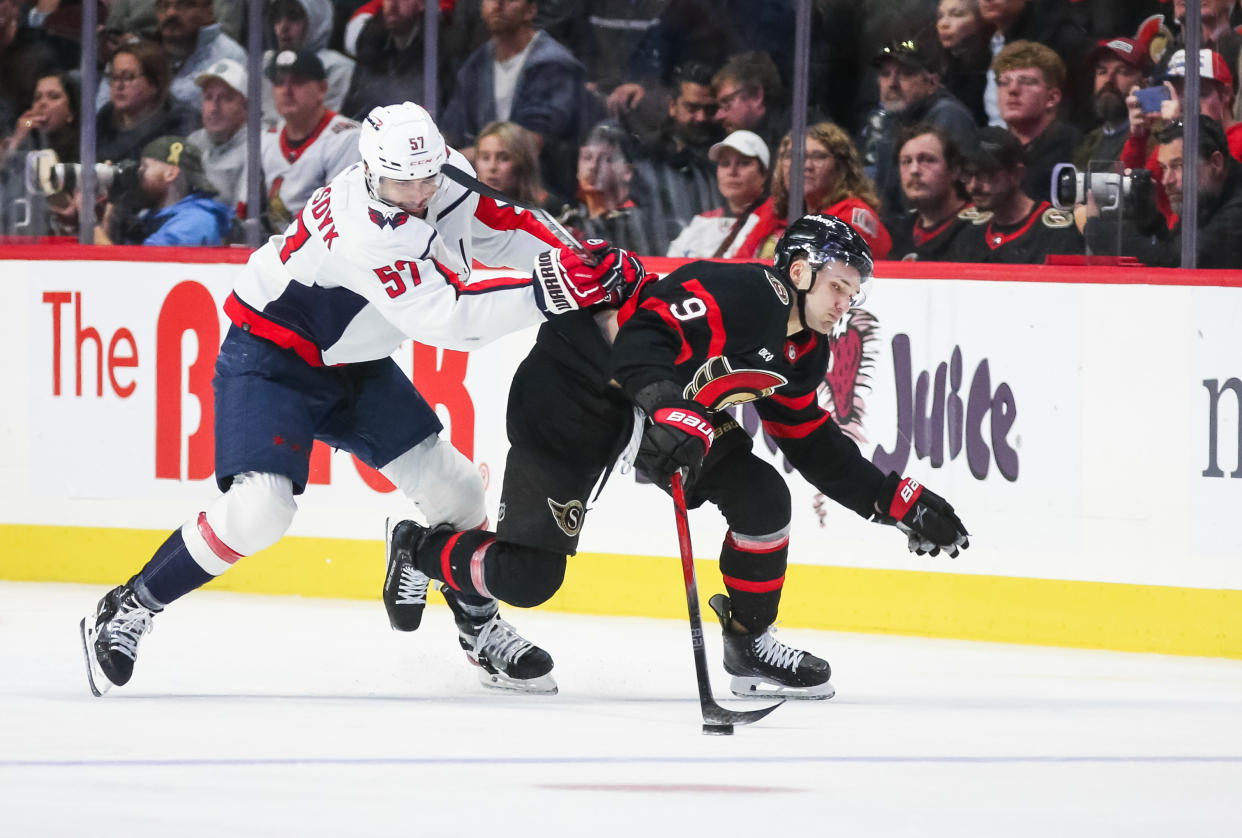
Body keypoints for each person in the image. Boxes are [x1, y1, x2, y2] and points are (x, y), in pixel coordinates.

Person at [80, 101, 642, 697]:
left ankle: (479, 627)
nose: (420, 193)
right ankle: (130, 605)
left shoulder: (436, 174)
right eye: (403, 182)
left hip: (352, 358)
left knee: (457, 488)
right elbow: (451, 321)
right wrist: (554, 288)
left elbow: (508, 228)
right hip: (272, 358)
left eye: (427, 177)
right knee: (261, 510)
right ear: (372, 172)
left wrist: (576, 261)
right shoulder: (363, 229)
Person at [385, 213, 970, 700]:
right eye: (838, 286)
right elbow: (643, 342)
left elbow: (811, 442)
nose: (845, 303)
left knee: (764, 497)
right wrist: (670, 410)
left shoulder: (804, 352)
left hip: (661, 409)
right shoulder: (740, 293)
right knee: (529, 578)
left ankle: (749, 644)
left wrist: (896, 503)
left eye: (854, 292)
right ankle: (421, 549)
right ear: (799, 271)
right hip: (573, 392)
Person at [439, 0, 588, 202]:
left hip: (544, 201)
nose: (498, 4)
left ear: (531, 10)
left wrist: (464, 158)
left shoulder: (554, 64)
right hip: (484, 198)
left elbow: (531, 143)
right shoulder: (475, 65)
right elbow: (452, 132)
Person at [1084, 114, 1242, 268]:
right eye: (1163, 168)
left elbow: (1177, 261)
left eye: (1178, 165)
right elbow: (1173, 249)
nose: (1166, 180)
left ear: (1216, 163)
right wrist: (1150, 217)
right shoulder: (1208, 197)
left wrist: (1097, 231)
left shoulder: (1236, 210)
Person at [863, 37, 977, 230]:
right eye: (885, 74)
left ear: (931, 83)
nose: (892, 83)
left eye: (906, 74)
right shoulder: (892, 119)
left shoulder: (948, 116)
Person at [754, 122, 891, 261]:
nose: (805, 166)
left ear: (841, 167)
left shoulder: (853, 215)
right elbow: (741, 261)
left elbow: (830, 274)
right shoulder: (775, 210)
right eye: (792, 156)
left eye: (818, 156)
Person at [261, 49, 361, 230]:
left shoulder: (347, 137)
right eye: (280, 83)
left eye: (298, 82)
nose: (287, 91)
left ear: (322, 89)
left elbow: (341, 219)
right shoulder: (266, 139)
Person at [952, 125, 1083, 263]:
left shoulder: (1056, 234)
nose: (973, 186)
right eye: (967, 174)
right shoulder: (970, 234)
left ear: (1017, 174)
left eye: (985, 174)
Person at [97, 134, 234, 245]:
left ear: (171, 173)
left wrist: (90, 223)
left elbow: (138, 268)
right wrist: (112, 205)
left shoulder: (194, 222)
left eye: (145, 167)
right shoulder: (151, 216)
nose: (139, 173)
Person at [992, 40, 1081, 203]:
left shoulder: (1073, 149)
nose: (1012, 90)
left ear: (1052, 98)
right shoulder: (993, 147)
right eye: (1004, 82)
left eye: (1026, 82)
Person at [665, 129, 770, 258]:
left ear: (764, 173)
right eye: (725, 163)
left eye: (744, 163)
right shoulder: (702, 222)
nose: (732, 171)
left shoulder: (773, 223)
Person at [96, 38, 197, 164]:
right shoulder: (106, 115)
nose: (118, 85)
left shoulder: (178, 121)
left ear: (155, 83)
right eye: (114, 77)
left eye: (128, 77)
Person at [563, 120, 654, 254]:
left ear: (627, 172)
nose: (593, 166)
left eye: (607, 159)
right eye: (587, 157)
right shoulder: (568, 222)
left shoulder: (643, 225)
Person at [261, 0, 356, 127]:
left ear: (316, 19)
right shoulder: (266, 63)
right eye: (277, 18)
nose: (283, 27)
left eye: (293, 17)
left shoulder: (337, 67)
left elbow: (326, 127)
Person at [889, 123, 976, 261]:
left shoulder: (978, 229)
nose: (914, 170)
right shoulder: (897, 233)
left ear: (954, 170)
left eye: (927, 160)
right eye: (906, 161)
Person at [155, 0, 246, 117]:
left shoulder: (228, 56)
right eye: (164, 6)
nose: (171, 13)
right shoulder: (148, 53)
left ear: (208, 11)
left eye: (184, 5)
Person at [1072, 37, 1150, 170]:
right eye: (1102, 72)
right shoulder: (1088, 142)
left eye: (1122, 72)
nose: (1109, 80)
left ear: (1144, 84)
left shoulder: (1152, 138)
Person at [187, 58, 248, 212]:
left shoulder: (255, 150)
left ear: (245, 107)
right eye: (208, 97)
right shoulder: (194, 142)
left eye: (226, 98)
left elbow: (239, 222)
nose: (214, 108)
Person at [474, 119, 564, 211]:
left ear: (524, 162)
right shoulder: (468, 209)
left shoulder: (554, 211)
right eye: (485, 157)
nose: (492, 167)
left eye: (504, 158)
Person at [937, 0, 991, 126]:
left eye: (956, 15)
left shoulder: (987, 69)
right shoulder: (947, 65)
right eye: (940, 16)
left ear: (979, 21)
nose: (943, 23)